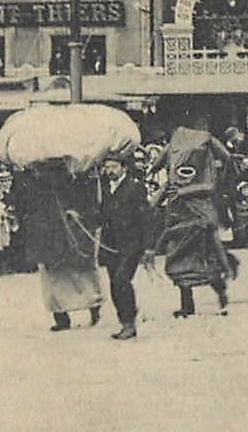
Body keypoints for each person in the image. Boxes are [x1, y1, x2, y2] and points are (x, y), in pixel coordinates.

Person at [148, 126, 236, 318]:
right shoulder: (206, 143)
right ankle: (217, 294)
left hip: (181, 211)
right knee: (200, 256)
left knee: (179, 255)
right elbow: (228, 158)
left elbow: (156, 165)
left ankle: (190, 303)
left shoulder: (173, 147)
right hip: (199, 211)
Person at [15, 160, 104, 331]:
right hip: (46, 231)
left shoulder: (73, 176)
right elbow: (24, 203)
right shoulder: (32, 180)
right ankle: (62, 315)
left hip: (69, 227)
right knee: (53, 273)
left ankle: (92, 306)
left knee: (80, 268)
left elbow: (86, 197)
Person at [97, 152, 151, 339]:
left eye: (114, 167)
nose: (110, 171)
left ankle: (129, 323)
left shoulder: (135, 188)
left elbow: (146, 218)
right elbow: (101, 215)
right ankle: (124, 322)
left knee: (121, 280)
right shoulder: (104, 189)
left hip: (131, 244)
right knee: (114, 284)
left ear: (124, 168)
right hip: (111, 245)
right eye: (107, 167)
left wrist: (148, 247)